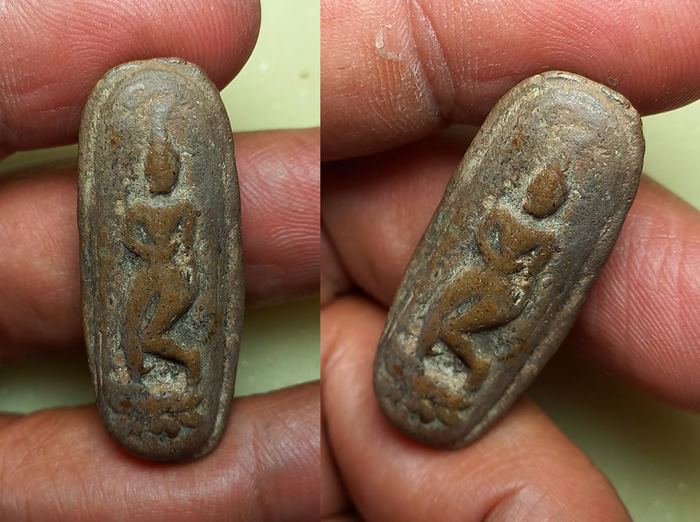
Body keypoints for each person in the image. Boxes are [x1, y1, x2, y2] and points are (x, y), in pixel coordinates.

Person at [321, 0, 700, 520]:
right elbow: (485, 244)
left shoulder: (539, 233)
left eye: (551, 191)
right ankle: (436, 363)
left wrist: (503, 254)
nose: (541, 194)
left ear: (557, 199)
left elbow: (523, 264)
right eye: (540, 186)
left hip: (504, 293)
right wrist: (497, 249)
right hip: (480, 277)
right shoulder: (505, 213)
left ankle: (468, 370)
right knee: (442, 315)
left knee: (458, 327)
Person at [0, 0, 319, 519]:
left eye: (165, 166)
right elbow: (134, 241)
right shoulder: (140, 206)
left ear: (173, 169)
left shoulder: (183, 207)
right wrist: (153, 246)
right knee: (130, 335)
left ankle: (189, 367)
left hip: (174, 279)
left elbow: (174, 247)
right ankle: (148, 384)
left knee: (147, 335)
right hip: (150, 272)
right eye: (153, 166)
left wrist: (154, 247)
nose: (158, 173)